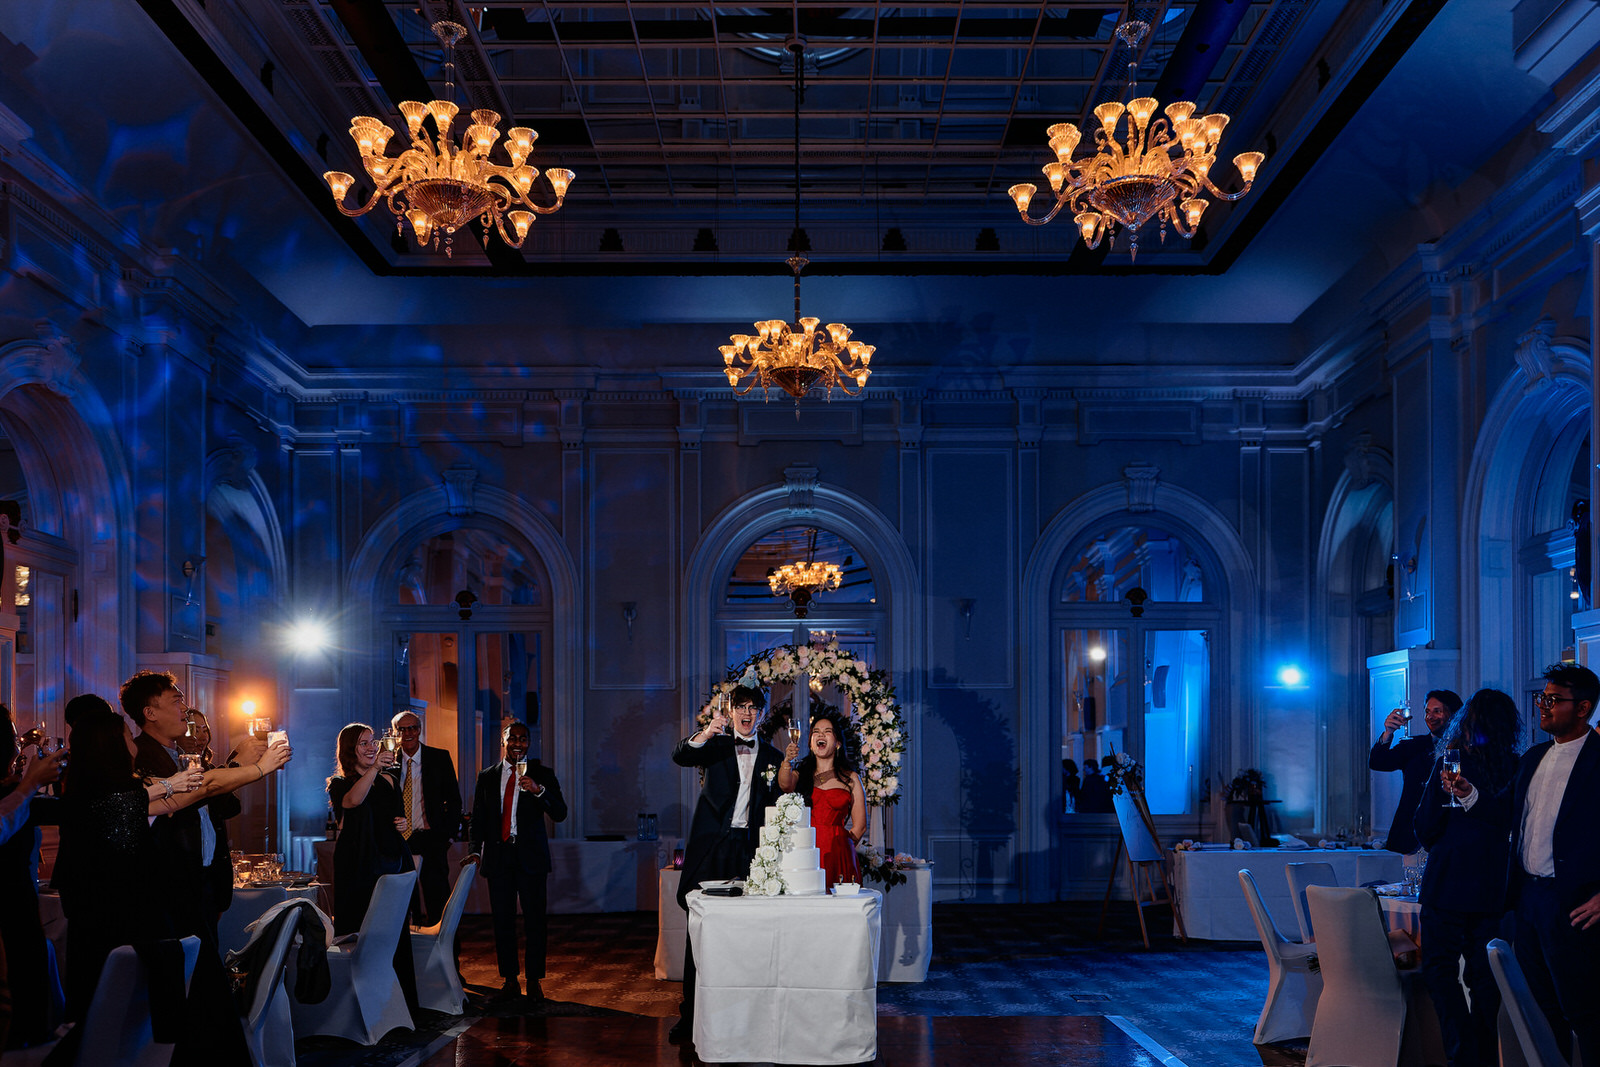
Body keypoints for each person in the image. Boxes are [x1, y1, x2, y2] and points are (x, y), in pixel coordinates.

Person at [1450, 663, 1600, 1067]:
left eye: (1553, 700)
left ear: (1583, 707)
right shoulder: (1534, 756)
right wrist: (1468, 794)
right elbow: (1503, 813)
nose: (1543, 706)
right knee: (1540, 1008)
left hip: (1574, 902)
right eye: (1541, 698)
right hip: (1527, 899)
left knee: (1584, 1011)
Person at [53, 703, 202, 1021]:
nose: (134, 743)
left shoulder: (86, 793)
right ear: (113, 746)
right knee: (119, 1010)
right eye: (128, 737)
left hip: (102, 923)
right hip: (120, 926)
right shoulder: (101, 799)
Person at [122, 670, 281, 944]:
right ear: (150, 713)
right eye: (176, 701)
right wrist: (248, 767)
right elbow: (197, 793)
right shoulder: (141, 756)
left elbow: (222, 804)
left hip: (202, 881)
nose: (185, 709)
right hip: (172, 886)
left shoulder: (183, 756)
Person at [667, 685, 782, 1043]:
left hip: (750, 853)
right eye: (741, 707)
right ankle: (689, 1018)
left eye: (754, 708)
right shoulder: (714, 745)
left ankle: (744, 1016)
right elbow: (680, 755)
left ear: (762, 714)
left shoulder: (775, 758)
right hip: (711, 848)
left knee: (747, 935)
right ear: (731, 711)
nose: (747, 713)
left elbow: (780, 803)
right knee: (698, 931)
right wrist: (706, 731)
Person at [1413, 689, 1520, 1067]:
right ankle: (1483, 1056)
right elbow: (1511, 823)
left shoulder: (1451, 762)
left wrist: (1447, 840)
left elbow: (1424, 825)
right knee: (1485, 979)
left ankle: (1463, 1053)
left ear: (1466, 721)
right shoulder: (1518, 765)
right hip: (1494, 884)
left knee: (1440, 971)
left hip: (1446, 882)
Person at [327, 722, 421, 1017]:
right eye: (363, 744)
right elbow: (353, 801)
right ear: (349, 751)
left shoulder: (390, 780)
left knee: (392, 933)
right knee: (359, 930)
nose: (371, 748)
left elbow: (398, 819)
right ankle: (356, 1010)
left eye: (372, 742)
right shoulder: (339, 783)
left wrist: (402, 825)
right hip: (357, 865)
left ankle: (398, 1007)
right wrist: (373, 770)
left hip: (390, 861)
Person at [470, 720, 566, 1000]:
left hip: (531, 859)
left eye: (524, 739)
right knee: (503, 921)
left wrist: (539, 791)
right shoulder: (487, 776)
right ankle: (509, 979)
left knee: (535, 921)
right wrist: (475, 850)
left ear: (529, 743)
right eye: (513, 739)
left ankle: (534, 979)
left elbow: (560, 813)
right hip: (499, 858)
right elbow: (477, 818)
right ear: (504, 741)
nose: (518, 744)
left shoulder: (542, 774)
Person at [777, 707, 865, 888]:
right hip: (807, 849)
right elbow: (785, 785)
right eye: (815, 732)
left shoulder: (851, 778)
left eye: (827, 732)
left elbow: (860, 826)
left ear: (837, 743)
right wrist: (787, 760)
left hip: (839, 851)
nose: (820, 735)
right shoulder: (800, 774)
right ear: (810, 743)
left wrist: (843, 846)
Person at [391, 709, 461, 926]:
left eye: (412, 728)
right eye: (402, 729)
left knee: (437, 900)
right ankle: (408, 955)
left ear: (419, 730)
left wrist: (448, 836)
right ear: (395, 733)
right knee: (402, 902)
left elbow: (454, 800)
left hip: (432, 838)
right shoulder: (388, 762)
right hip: (399, 840)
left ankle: (445, 954)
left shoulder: (439, 758)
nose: (408, 733)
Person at [1371, 689, 1460, 854]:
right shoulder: (1413, 746)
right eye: (1427, 711)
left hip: (1448, 838)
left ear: (1454, 714)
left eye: (1437, 711)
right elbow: (1378, 762)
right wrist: (1388, 732)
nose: (1430, 716)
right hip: (1409, 837)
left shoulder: (1465, 750)